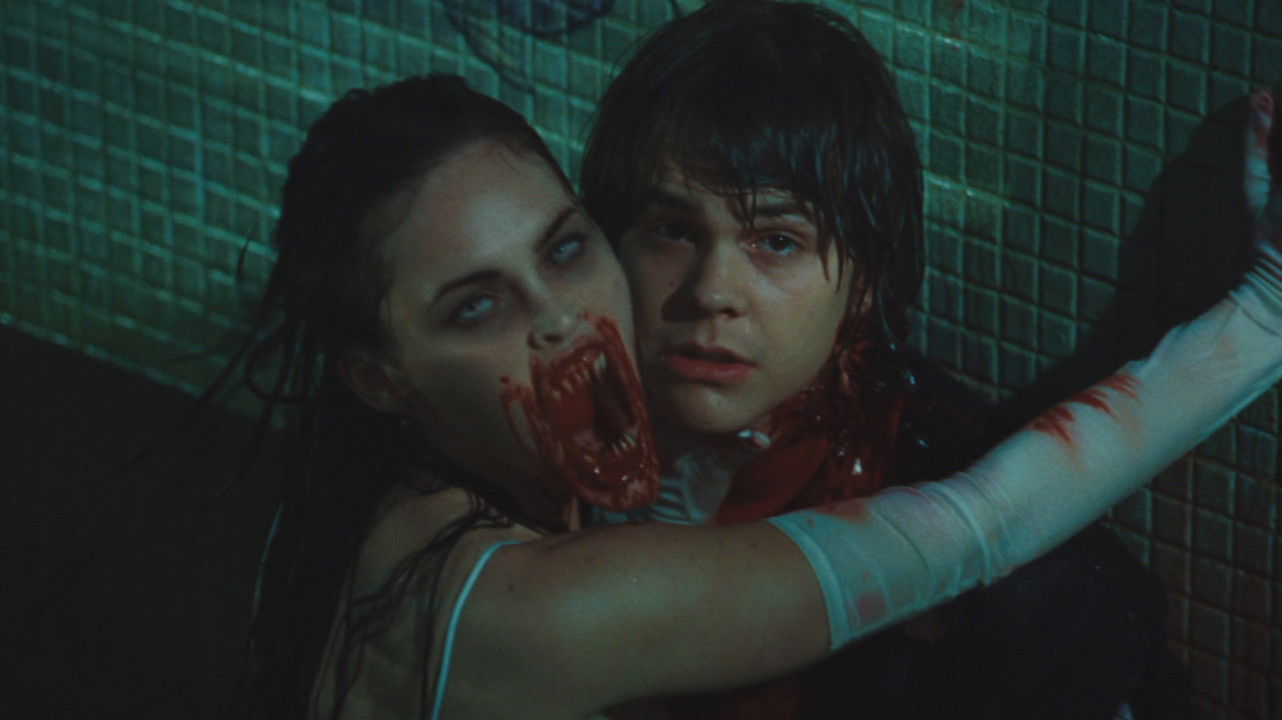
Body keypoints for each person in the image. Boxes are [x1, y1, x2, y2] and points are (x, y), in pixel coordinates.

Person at [231, 70, 1282, 720]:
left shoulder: (364, 502)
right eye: (475, 308)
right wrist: (1270, 309)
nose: (560, 321)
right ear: (377, 375)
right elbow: (976, 527)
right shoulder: (538, 612)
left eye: (563, 249)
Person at [578, 2, 1189, 717]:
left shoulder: (996, 558)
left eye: (777, 241)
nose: (712, 291)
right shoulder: (545, 439)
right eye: (673, 231)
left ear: (863, 280)